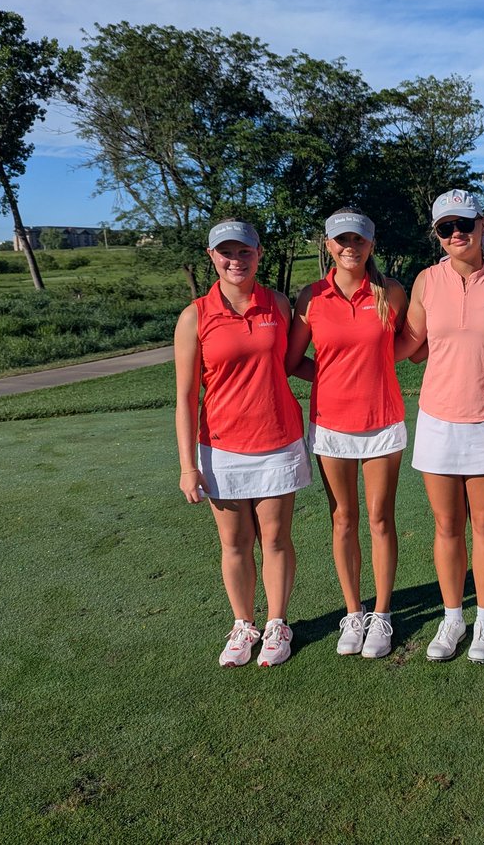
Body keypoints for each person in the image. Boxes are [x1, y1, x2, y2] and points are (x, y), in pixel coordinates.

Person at [397, 190, 484, 663]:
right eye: (445, 228)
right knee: (448, 526)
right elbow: (413, 342)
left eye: (464, 225)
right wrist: (351, 354)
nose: (456, 234)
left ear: (481, 227)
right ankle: (453, 617)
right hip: (438, 420)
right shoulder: (426, 282)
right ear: (437, 234)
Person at [174, 218, 311, 668]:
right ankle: (243, 624)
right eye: (226, 252)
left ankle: (276, 624)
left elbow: (294, 362)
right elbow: (185, 397)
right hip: (221, 446)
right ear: (212, 257)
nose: (236, 260)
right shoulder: (195, 315)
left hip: (277, 438)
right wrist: (188, 465)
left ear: (259, 254)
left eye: (244, 251)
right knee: (234, 543)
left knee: (275, 539)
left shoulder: (278, 303)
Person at [285, 207, 408, 659]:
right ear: (328, 245)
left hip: (382, 420)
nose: (349, 247)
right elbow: (292, 360)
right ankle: (353, 613)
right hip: (331, 423)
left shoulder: (391, 293)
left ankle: (382, 614)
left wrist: (372, 371)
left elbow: (410, 345)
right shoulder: (311, 298)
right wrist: (331, 378)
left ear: (370, 245)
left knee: (379, 518)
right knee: (343, 518)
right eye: (341, 240)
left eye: (358, 240)